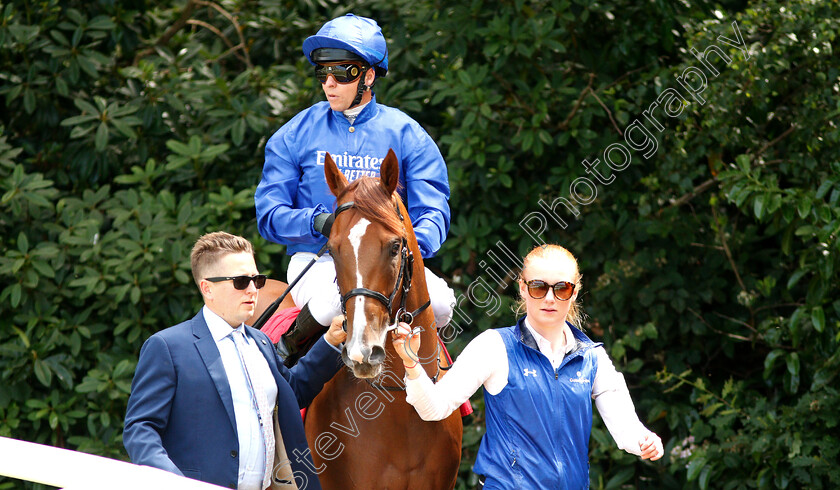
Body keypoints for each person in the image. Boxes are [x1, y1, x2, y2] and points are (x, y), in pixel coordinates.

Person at [255, 13, 454, 362]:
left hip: (392, 261)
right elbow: (269, 213)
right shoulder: (294, 133)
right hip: (319, 260)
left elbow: (433, 212)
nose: (329, 83)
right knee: (333, 302)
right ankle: (287, 358)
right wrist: (318, 222)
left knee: (440, 303)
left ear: (368, 76)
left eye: (342, 73)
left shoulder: (408, 134)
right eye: (323, 73)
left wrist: (402, 250)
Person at [391, 244, 664, 488]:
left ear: (575, 291)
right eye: (538, 287)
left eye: (561, 288)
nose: (549, 298)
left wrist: (645, 441)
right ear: (523, 288)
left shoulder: (593, 358)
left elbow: (628, 431)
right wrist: (411, 364)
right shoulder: (494, 346)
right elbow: (434, 408)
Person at [123, 232, 346, 490]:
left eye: (256, 279)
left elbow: (292, 394)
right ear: (207, 287)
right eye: (241, 281)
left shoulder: (261, 343)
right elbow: (140, 429)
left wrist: (329, 342)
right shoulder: (167, 347)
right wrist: (175, 483)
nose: (253, 290)